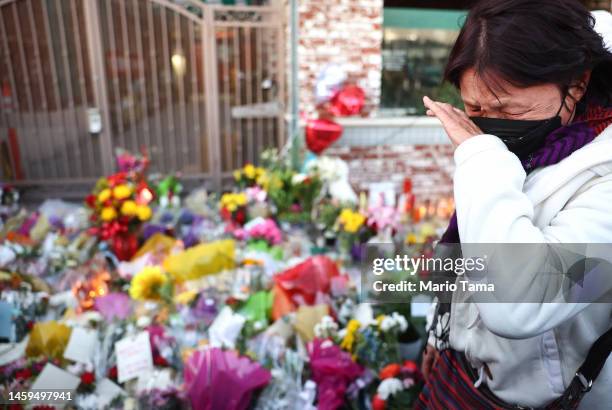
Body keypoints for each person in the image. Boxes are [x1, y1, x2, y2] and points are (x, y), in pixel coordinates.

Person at [415, 0, 612, 408]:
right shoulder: (527, 151)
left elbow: (521, 304)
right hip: (463, 375)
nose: (488, 123)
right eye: (474, 108)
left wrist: (480, 155)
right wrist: (446, 331)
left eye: (507, 109)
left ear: (576, 85)